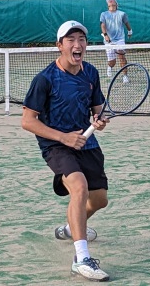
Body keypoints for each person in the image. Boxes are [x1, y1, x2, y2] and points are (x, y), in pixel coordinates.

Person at [21, 20, 111, 282]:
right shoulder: (45, 79)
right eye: (70, 40)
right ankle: (81, 259)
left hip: (86, 142)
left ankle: (73, 228)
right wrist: (64, 138)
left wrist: (100, 121)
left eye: (81, 39)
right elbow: (27, 121)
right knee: (79, 187)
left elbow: (98, 111)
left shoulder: (90, 73)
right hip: (56, 144)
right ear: (59, 46)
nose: (77, 44)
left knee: (99, 200)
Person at [100, 0, 133, 83]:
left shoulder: (122, 14)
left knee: (122, 56)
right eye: (109, 1)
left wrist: (130, 31)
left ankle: (125, 76)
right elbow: (102, 25)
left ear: (116, 4)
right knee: (112, 62)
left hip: (120, 39)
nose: (110, 1)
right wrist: (106, 35)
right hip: (109, 41)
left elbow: (127, 24)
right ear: (108, 5)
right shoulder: (103, 14)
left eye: (112, 0)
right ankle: (110, 66)